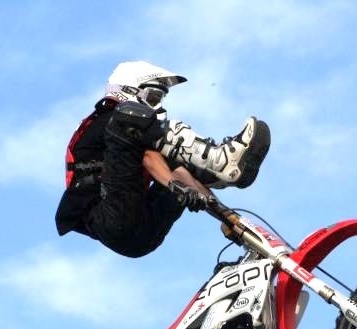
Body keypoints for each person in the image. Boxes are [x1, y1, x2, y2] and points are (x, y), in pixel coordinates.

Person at [55, 61, 271, 258]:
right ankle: (218, 160)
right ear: (129, 92)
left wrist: (228, 218)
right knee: (132, 123)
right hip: (110, 216)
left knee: (182, 166)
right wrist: (173, 185)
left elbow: (179, 174)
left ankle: (223, 170)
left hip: (140, 236)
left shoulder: (130, 140)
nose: (159, 107)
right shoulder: (110, 121)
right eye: (153, 98)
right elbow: (149, 158)